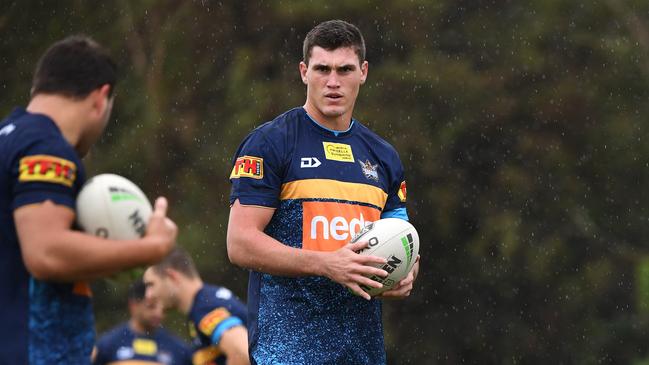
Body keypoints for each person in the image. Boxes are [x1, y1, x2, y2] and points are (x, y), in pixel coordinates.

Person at [226, 19, 421, 364]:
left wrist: (402, 276)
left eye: (344, 69)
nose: (333, 82)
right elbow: (240, 243)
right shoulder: (271, 143)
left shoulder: (384, 156)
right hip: (285, 353)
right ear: (304, 72)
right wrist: (326, 263)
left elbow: (401, 239)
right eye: (322, 69)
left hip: (362, 353)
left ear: (363, 72)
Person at [0, 35, 178, 364]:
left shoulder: (10, 136)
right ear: (101, 98)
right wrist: (150, 248)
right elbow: (45, 252)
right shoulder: (45, 145)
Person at [143, 248, 249, 365]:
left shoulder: (204, 308)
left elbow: (242, 353)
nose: (148, 295)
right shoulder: (205, 302)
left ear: (172, 277)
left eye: (151, 285)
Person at [93, 278, 192, 365]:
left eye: (164, 309)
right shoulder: (108, 345)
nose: (158, 313)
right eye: (151, 306)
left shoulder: (178, 348)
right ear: (133, 305)